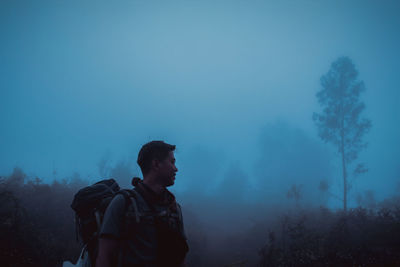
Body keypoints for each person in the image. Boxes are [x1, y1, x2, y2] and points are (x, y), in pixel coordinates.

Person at [96, 141, 188, 267]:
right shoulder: (123, 203)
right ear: (156, 164)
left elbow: (181, 257)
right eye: (172, 162)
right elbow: (104, 257)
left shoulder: (174, 208)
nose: (176, 168)